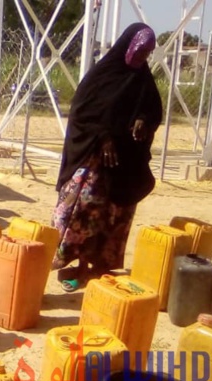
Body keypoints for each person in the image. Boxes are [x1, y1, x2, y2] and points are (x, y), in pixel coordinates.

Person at [52, 23, 162, 292]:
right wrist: (103, 136)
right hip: (93, 160)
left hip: (124, 165)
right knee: (83, 208)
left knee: (114, 216)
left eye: (146, 54)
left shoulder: (143, 80)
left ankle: (98, 268)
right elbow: (81, 112)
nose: (141, 58)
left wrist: (143, 120)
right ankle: (77, 264)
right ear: (127, 46)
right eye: (138, 52)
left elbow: (153, 110)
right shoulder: (102, 75)